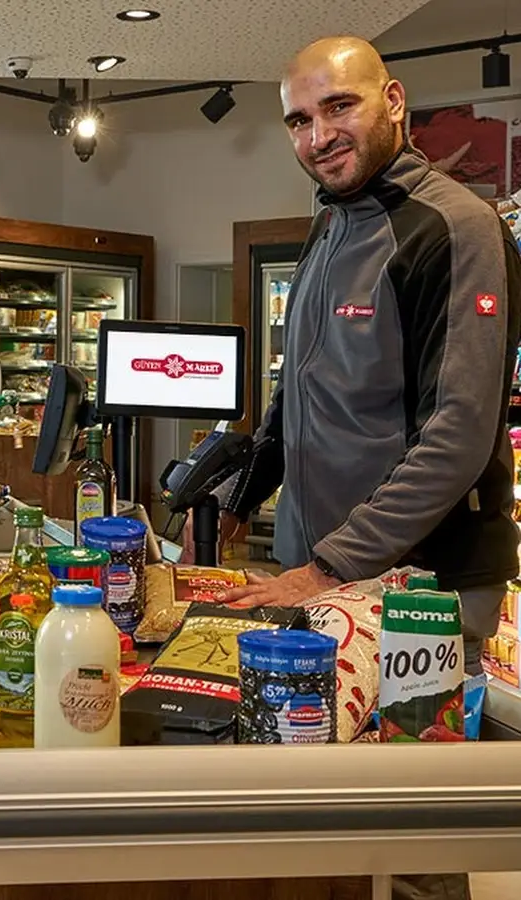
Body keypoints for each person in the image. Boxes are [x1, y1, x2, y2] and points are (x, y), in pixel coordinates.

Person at [186, 34, 521, 900]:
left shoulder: (456, 226)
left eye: (339, 106)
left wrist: (329, 564)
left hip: (424, 589)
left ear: (394, 100)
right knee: (318, 811)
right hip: (321, 572)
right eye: (299, 119)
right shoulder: (332, 223)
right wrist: (246, 487)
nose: (318, 134)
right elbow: (302, 384)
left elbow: (458, 431)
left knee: (411, 832)